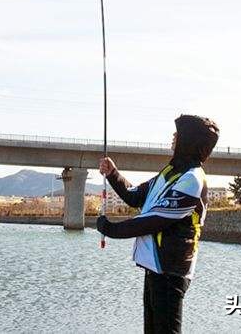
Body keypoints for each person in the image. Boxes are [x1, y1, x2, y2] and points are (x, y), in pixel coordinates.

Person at [97, 114, 220, 334]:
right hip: (155, 268)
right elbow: (135, 196)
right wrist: (113, 174)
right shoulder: (169, 173)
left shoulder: (192, 179)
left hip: (172, 270)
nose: (173, 137)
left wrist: (110, 228)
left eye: (179, 133)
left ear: (189, 140)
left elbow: (153, 221)